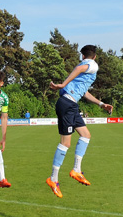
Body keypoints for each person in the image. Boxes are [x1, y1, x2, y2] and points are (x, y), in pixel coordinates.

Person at [46, 45, 113, 198]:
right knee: (65, 143)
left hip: (71, 104)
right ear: (93, 56)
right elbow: (80, 69)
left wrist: (101, 104)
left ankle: (76, 169)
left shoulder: (84, 68)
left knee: (85, 135)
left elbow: (84, 92)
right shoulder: (91, 64)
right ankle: (53, 179)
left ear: (82, 55)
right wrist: (63, 84)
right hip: (67, 104)